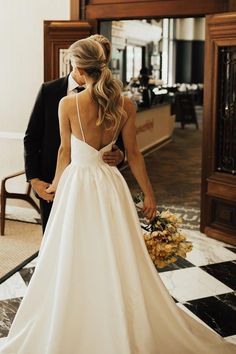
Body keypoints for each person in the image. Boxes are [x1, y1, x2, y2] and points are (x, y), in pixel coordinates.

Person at [1, 36, 235, 354]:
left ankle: (75, 309)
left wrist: (55, 184)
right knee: (115, 250)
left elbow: (64, 151)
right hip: (110, 185)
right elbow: (135, 155)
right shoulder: (124, 103)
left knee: (71, 249)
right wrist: (149, 196)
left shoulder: (68, 104)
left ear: (80, 70)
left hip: (78, 185)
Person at [24, 34, 125, 232]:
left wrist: (120, 154)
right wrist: (34, 179)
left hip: (96, 183)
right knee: (54, 240)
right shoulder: (49, 91)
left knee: (94, 237)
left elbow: (119, 140)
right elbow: (31, 137)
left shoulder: (111, 97)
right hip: (52, 181)